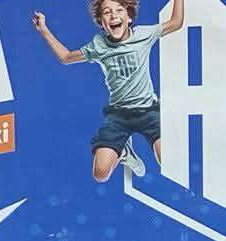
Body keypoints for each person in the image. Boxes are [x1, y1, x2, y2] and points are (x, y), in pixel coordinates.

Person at [32, 0, 185, 184]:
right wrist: (43, 30)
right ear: (101, 23)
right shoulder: (99, 46)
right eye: (107, 12)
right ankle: (125, 153)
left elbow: (176, 22)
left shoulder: (144, 34)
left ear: (129, 18)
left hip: (149, 111)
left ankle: (131, 149)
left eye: (119, 10)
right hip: (118, 115)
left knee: (170, 163)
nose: (113, 15)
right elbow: (66, 57)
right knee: (100, 174)